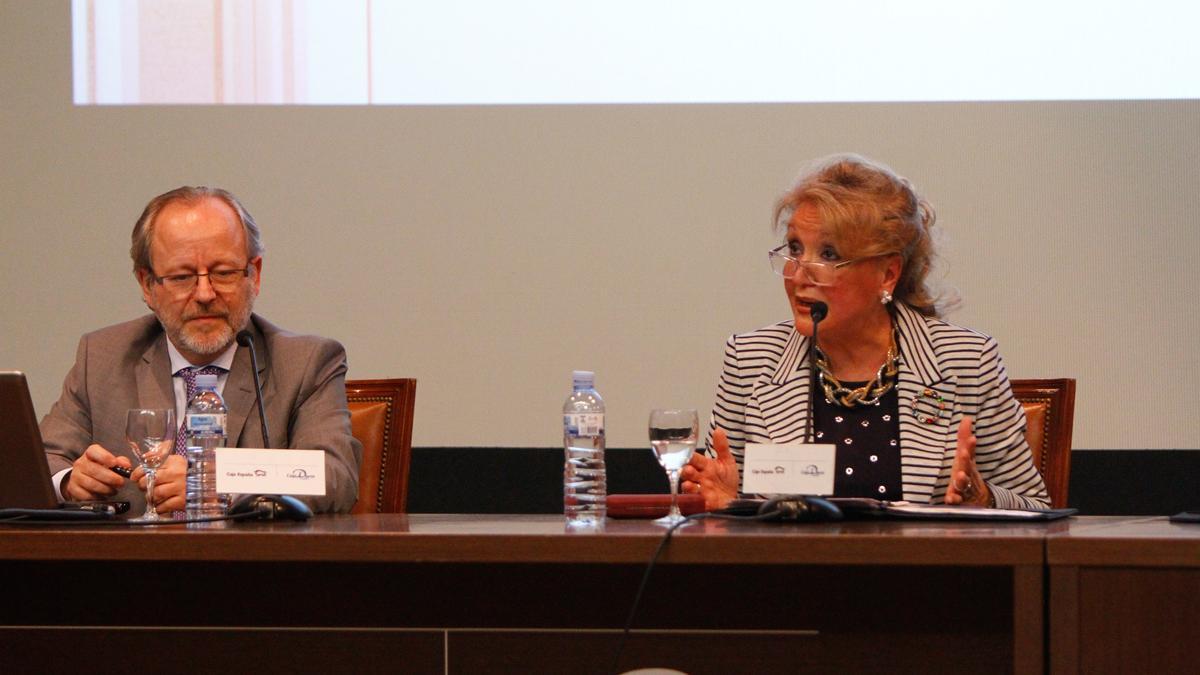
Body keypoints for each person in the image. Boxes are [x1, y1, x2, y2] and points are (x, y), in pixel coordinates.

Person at [684, 154, 1049, 510]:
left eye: (828, 255)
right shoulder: (751, 359)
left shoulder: (967, 360)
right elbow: (722, 506)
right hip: (792, 571)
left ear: (888, 274)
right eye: (795, 249)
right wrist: (723, 503)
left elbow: (1037, 507)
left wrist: (983, 498)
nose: (797, 276)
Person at [40, 186, 362, 514]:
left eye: (223, 273)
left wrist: (212, 483)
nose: (205, 293)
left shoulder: (306, 363)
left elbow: (334, 477)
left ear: (255, 275)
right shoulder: (104, 357)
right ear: (147, 285)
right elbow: (37, 461)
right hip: (130, 563)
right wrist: (68, 482)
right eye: (182, 277)